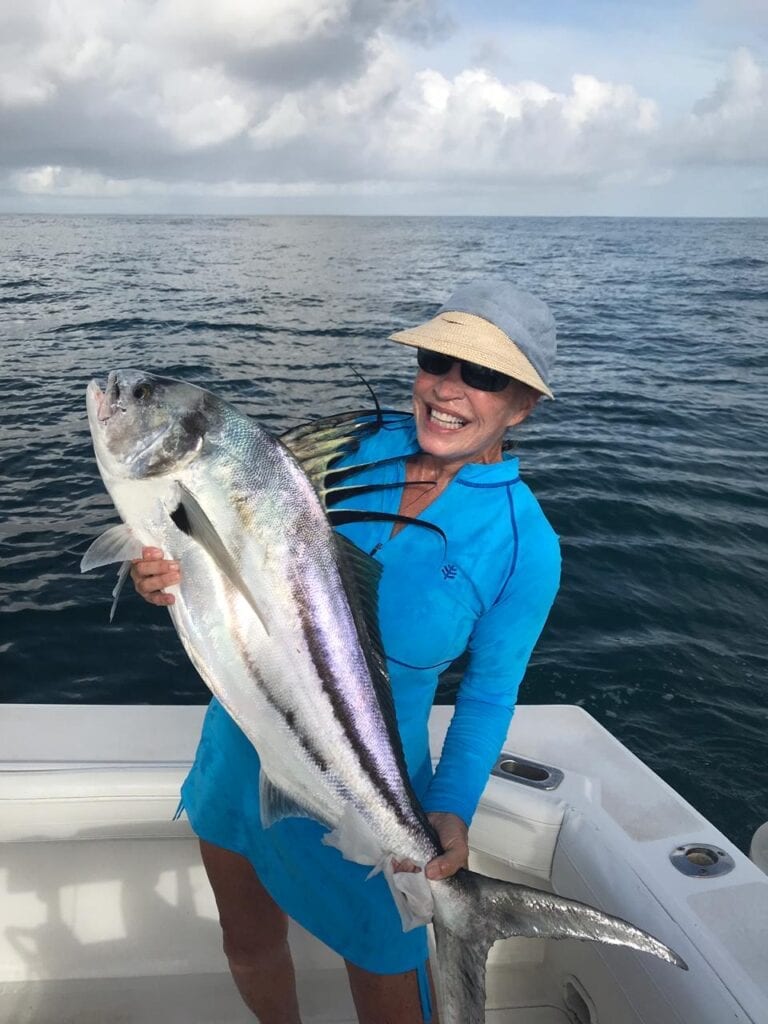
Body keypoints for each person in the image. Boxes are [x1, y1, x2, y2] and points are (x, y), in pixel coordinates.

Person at [130, 279, 561, 1024]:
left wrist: (452, 807)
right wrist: (164, 573)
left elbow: (490, 693)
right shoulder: (342, 451)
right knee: (247, 941)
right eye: (437, 360)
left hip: (369, 792)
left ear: (524, 404)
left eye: (484, 375)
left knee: (388, 981)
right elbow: (222, 560)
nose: (449, 388)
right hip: (240, 749)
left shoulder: (527, 547)